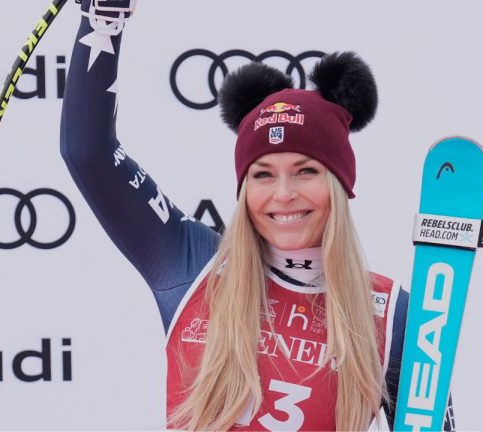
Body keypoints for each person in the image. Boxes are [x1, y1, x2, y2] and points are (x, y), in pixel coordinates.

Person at [60, 1, 454, 430]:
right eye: (263, 175)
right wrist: (103, 20)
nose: (283, 194)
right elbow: (88, 152)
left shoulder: (390, 312)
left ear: (339, 186)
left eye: (305, 171)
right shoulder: (192, 266)